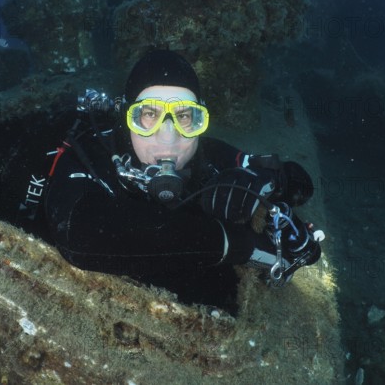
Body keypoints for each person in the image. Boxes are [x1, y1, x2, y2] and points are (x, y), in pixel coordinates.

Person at [38, 49, 322, 300]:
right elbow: (80, 236)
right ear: (126, 118)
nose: (169, 136)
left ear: (199, 119)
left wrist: (268, 183)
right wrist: (238, 245)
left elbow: (297, 182)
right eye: (149, 114)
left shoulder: (203, 153)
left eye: (185, 116)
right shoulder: (89, 152)